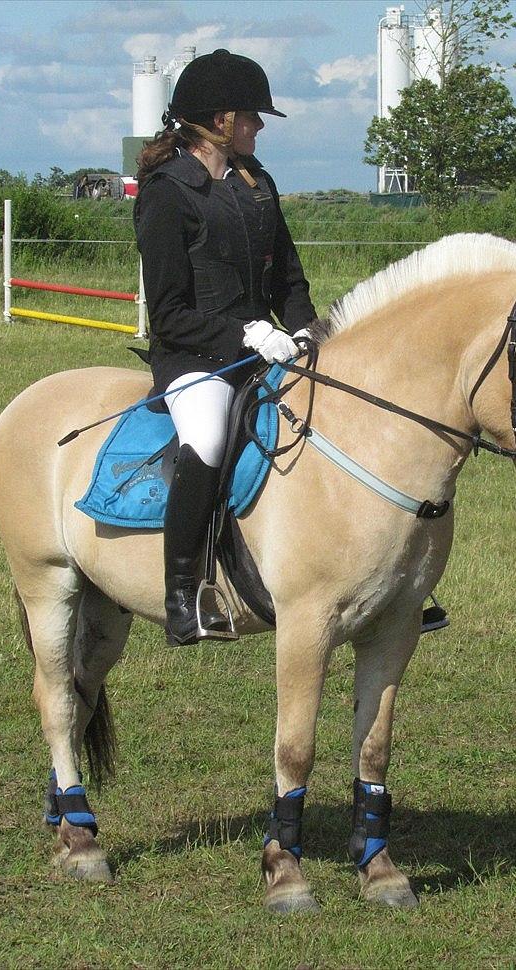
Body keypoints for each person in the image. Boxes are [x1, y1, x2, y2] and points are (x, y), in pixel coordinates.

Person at [134, 49, 316, 647]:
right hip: (194, 358)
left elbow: (288, 276)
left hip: (265, 349)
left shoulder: (258, 185)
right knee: (208, 438)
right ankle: (183, 599)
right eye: (252, 118)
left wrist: (304, 328)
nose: (259, 128)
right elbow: (168, 314)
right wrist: (246, 334)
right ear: (219, 121)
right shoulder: (167, 193)